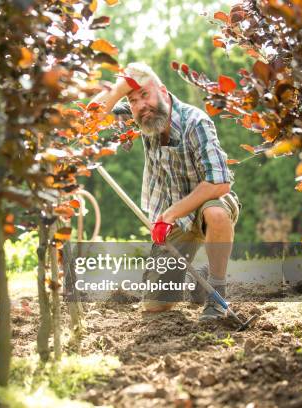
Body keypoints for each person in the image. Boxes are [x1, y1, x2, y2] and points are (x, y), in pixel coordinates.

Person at [90, 62, 241, 320]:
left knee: (215, 212)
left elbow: (219, 183)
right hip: (174, 221)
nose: (140, 105)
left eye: (145, 94)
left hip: (206, 203)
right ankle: (198, 281)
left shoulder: (195, 122)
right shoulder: (145, 117)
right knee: (155, 304)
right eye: (133, 100)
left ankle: (217, 294)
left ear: (161, 89)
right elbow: (89, 119)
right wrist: (120, 88)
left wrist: (170, 213)